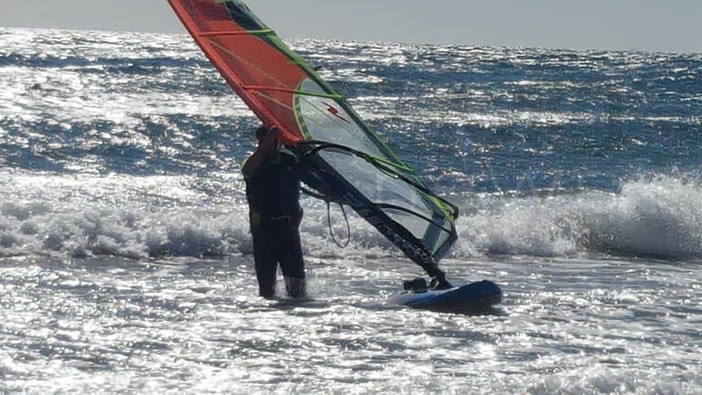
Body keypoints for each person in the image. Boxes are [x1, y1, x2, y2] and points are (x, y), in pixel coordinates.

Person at [243, 125, 306, 299]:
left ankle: (300, 318)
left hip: (288, 228)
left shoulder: (289, 160)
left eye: (274, 140)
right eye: (266, 140)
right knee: (266, 291)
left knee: (297, 290)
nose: (271, 143)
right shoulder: (254, 162)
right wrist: (264, 149)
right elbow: (247, 171)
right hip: (264, 230)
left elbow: (312, 176)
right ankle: (269, 321)